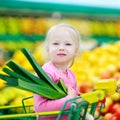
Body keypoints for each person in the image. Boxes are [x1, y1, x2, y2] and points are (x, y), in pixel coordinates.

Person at [34, 23, 94, 120]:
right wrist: (69, 100)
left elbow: (76, 99)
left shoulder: (71, 74)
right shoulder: (46, 73)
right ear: (47, 49)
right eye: (55, 43)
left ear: (76, 51)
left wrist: (91, 98)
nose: (61, 47)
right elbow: (40, 109)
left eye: (68, 44)